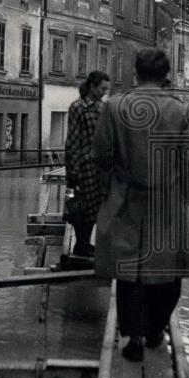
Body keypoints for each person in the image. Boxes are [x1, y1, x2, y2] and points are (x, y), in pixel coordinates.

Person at [92, 48, 189, 362]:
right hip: (167, 202)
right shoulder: (180, 111)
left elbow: (101, 158)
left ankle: (133, 336)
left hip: (126, 199)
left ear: (135, 74)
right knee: (167, 273)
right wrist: (184, 200)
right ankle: (155, 329)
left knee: (129, 274)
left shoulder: (114, 107)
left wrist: (108, 196)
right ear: (166, 76)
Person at [63, 70, 110, 257]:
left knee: (94, 208)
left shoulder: (102, 107)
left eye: (106, 89)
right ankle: (81, 243)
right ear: (92, 86)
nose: (104, 92)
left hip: (100, 167)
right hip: (84, 166)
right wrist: (72, 171)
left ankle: (86, 243)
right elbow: (72, 140)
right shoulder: (78, 107)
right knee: (83, 207)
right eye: (102, 88)